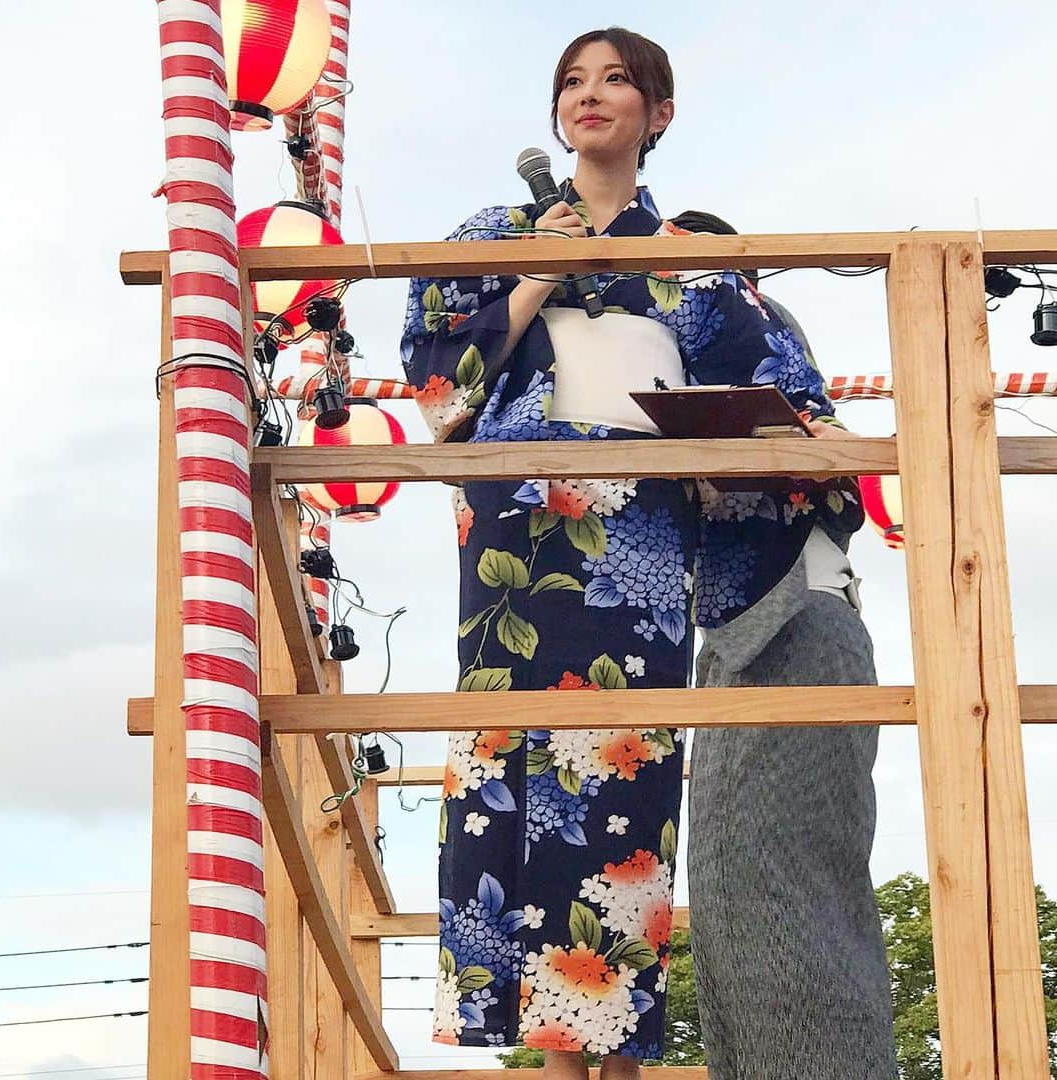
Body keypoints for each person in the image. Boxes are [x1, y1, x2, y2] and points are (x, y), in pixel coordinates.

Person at [400, 27, 856, 1079]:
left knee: (623, 779)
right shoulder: (497, 229)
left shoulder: (687, 252)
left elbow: (772, 385)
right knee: (514, 767)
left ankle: (617, 1061)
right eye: (571, 82)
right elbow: (438, 392)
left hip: (637, 537)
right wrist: (535, 273)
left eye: (615, 81)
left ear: (660, 113)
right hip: (521, 532)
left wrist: (813, 431)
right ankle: (554, 1060)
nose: (589, 96)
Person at [669, 210, 899, 1078]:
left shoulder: (742, 317)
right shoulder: (743, 332)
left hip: (794, 613)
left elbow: (821, 447)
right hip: (760, 620)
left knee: (779, 882)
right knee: (741, 884)